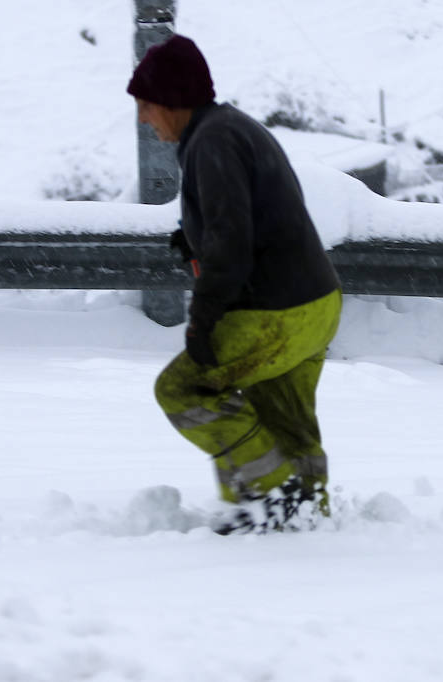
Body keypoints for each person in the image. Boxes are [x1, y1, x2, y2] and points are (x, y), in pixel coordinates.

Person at [127, 34, 342, 533]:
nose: (143, 118)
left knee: (183, 390)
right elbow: (246, 215)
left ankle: (269, 497)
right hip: (317, 305)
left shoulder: (212, 142)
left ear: (173, 99)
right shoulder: (232, 128)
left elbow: (230, 244)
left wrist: (201, 327)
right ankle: (307, 514)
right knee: (285, 418)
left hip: (274, 313)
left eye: (145, 104)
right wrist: (194, 238)